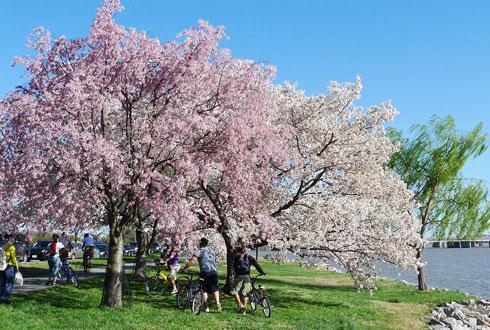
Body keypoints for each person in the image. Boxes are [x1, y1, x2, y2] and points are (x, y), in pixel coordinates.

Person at [181, 238, 221, 313]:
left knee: (203, 289)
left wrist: (184, 268)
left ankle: (206, 307)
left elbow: (192, 261)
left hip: (205, 272)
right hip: (214, 272)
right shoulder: (211, 251)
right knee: (215, 288)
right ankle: (218, 303)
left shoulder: (199, 251)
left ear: (200, 243)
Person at [232, 245, 266, 314]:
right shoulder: (249, 257)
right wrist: (262, 272)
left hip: (239, 276)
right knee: (245, 293)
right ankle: (243, 309)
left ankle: (240, 305)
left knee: (235, 291)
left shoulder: (236, 257)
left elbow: (233, 267)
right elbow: (256, 265)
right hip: (247, 276)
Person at [0, 234, 20, 304]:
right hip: (9, 266)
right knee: (10, 282)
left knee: (2, 282)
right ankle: (4, 298)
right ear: (10, 239)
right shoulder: (11, 246)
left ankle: (1, 297)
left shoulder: (2, 245)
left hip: (1, 266)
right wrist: (17, 267)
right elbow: (14, 259)